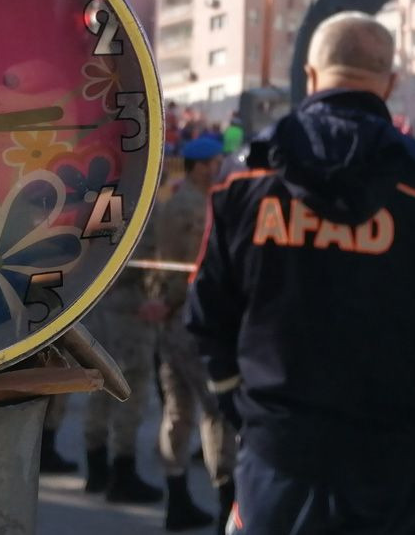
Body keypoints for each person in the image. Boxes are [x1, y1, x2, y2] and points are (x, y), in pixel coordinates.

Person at [185, 11, 415, 534]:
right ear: (391, 83)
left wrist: (246, 414)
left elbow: (206, 315)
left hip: (277, 460)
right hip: (398, 472)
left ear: (310, 76)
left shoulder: (246, 180)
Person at [142, 134, 236, 532]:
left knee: (177, 411)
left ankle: (176, 497)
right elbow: (190, 267)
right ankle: (225, 505)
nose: (219, 168)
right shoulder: (196, 207)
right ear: (200, 167)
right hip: (191, 318)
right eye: (215, 163)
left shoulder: (173, 200)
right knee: (216, 413)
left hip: (170, 318)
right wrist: (174, 302)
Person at [81, 264, 162, 503]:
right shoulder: (142, 225)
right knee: (129, 389)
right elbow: (148, 256)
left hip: (100, 301)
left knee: (99, 385)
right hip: (130, 307)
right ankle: (122, 473)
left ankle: (96, 468)